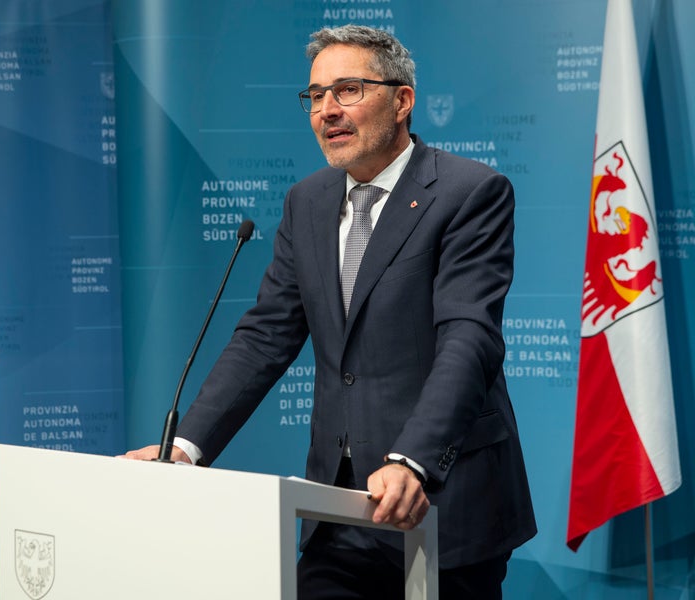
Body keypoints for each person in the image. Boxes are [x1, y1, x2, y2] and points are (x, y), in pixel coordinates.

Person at [123, 24, 536, 599]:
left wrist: (413, 460)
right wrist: (186, 449)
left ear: (402, 101)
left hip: (441, 500)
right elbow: (266, 337)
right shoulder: (307, 202)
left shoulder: (469, 192)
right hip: (337, 509)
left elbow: (468, 339)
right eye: (316, 96)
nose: (327, 111)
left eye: (348, 90)